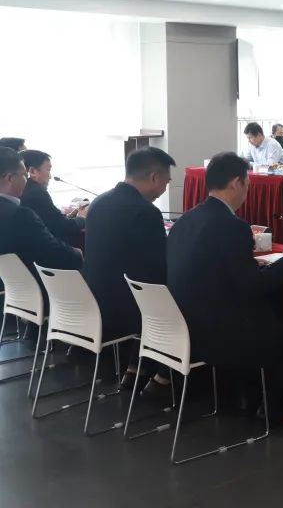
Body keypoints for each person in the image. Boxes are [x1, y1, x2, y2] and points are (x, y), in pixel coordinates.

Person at [167, 152, 283, 423]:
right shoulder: (233, 226)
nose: (247, 191)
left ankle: (245, 394)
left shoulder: (186, 220)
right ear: (236, 183)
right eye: (247, 184)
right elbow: (251, 286)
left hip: (184, 323)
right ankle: (271, 406)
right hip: (217, 332)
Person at [82, 147, 176, 392]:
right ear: (154, 177)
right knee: (184, 295)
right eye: (166, 182)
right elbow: (159, 267)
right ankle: (164, 375)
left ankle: (138, 367)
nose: (164, 189)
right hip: (127, 308)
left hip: (97, 299)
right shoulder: (145, 211)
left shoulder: (99, 202)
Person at [0, 147, 83, 288]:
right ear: (10, 178)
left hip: (9, 290)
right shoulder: (20, 215)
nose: (26, 180)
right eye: (24, 175)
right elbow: (52, 252)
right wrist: (77, 254)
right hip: (35, 287)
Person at [18, 150, 86, 247]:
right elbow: (62, 227)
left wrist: (70, 216)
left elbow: (50, 221)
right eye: (48, 170)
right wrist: (82, 217)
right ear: (33, 171)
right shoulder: (36, 193)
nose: (50, 176)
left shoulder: (22, 189)